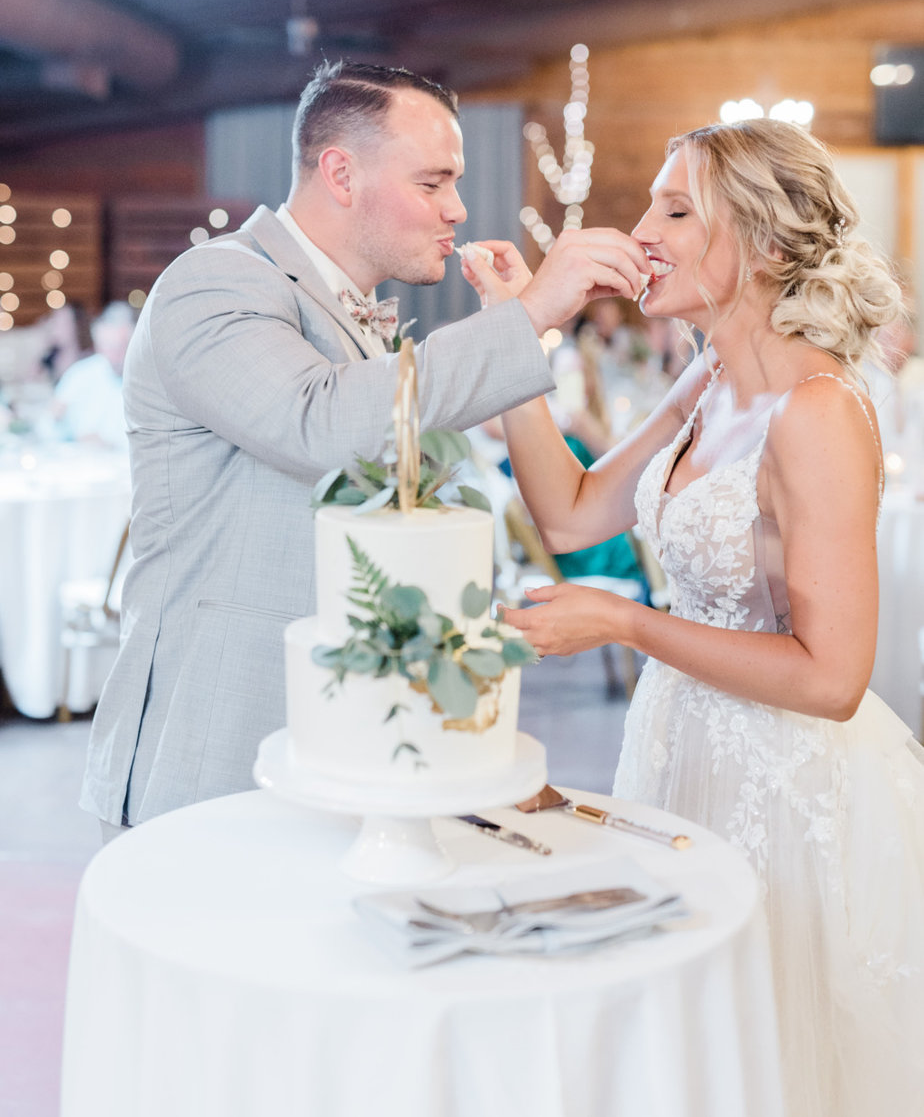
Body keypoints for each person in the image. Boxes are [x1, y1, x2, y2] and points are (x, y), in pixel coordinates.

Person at [462, 118, 924, 1117]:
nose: (643, 231)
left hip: (792, 786)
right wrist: (516, 330)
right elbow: (572, 510)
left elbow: (832, 679)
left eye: (677, 209)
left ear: (767, 245)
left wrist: (628, 626)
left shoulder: (822, 413)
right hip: (680, 751)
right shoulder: (707, 379)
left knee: (778, 1059)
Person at [80, 60, 650, 835]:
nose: (458, 207)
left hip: (344, 735)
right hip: (223, 734)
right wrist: (536, 315)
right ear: (340, 174)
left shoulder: (355, 316)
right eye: (432, 183)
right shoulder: (214, 284)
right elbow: (321, 425)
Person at [53, 300, 137, 449]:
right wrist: (67, 433)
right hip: (76, 460)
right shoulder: (80, 373)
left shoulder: (146, 382)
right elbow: (50, 420)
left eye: (119, 347)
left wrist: (108, 445)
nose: (112, 356)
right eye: (105, 347)